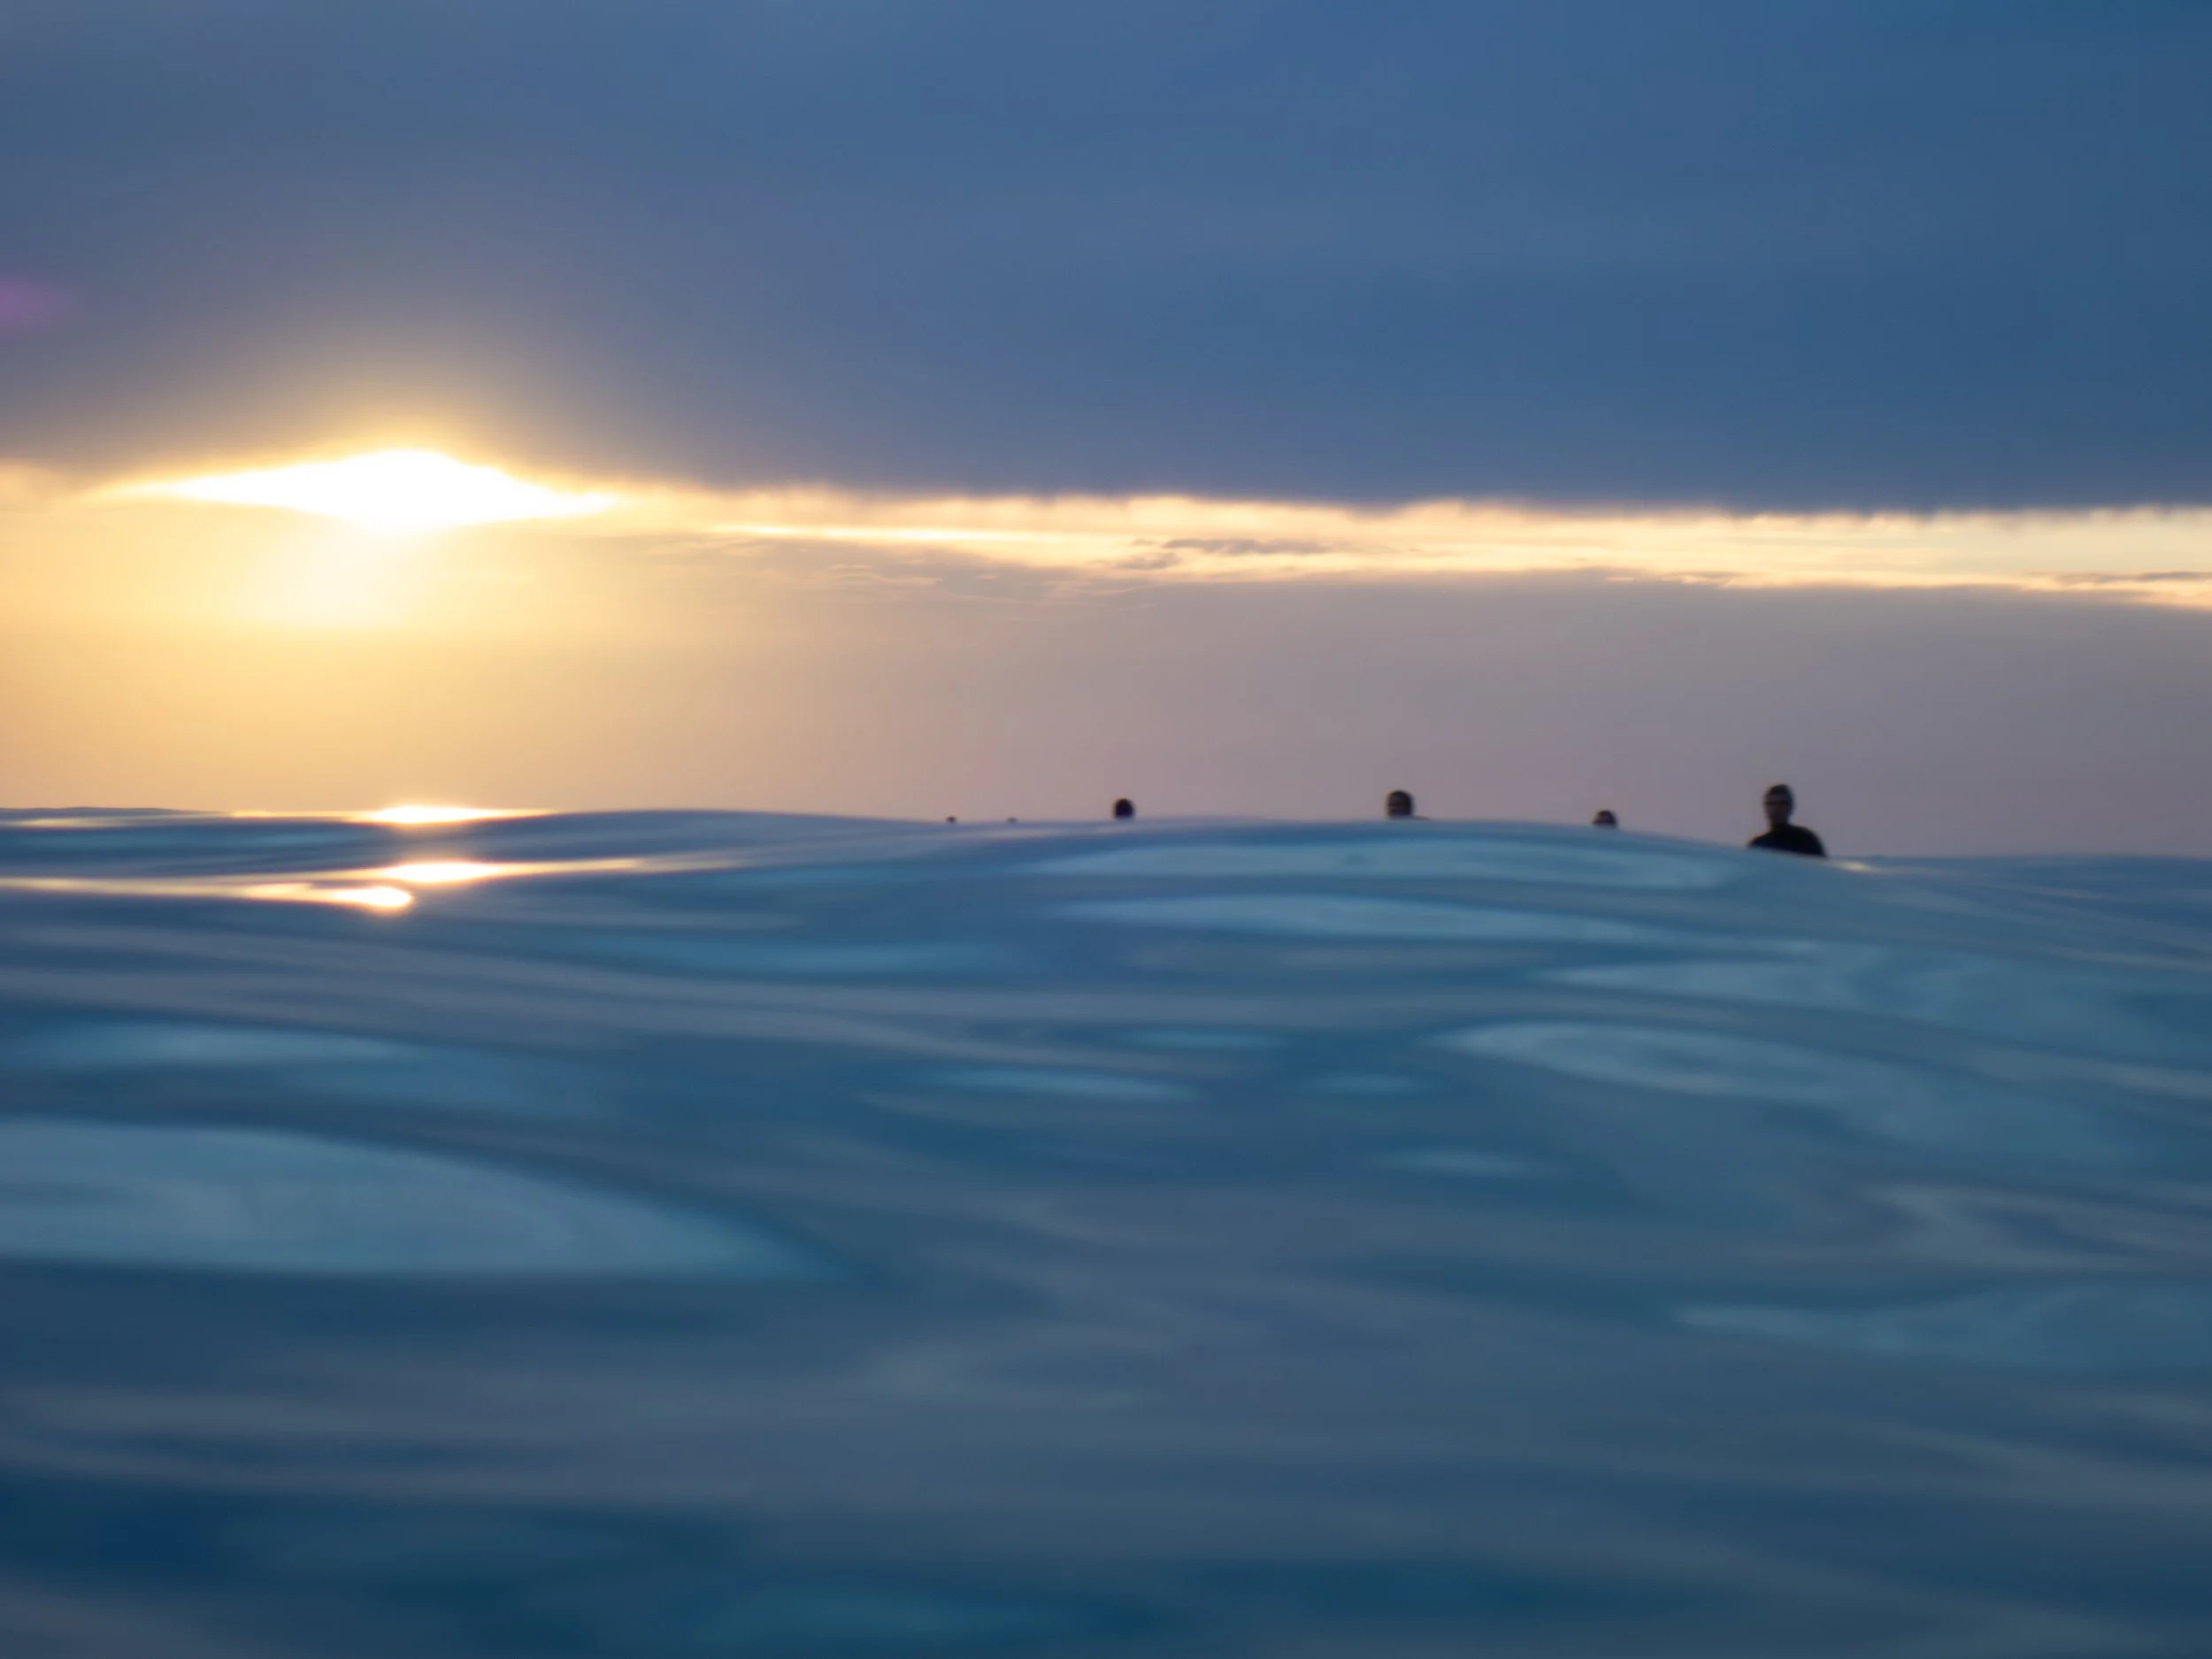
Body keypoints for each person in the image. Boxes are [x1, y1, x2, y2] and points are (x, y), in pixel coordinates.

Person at [1748, 783, 1825, 857]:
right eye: (1771, 804)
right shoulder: (1757, 846)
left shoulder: (1806, 840)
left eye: (1782, 804)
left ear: (1791, 807)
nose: (1776, 809)